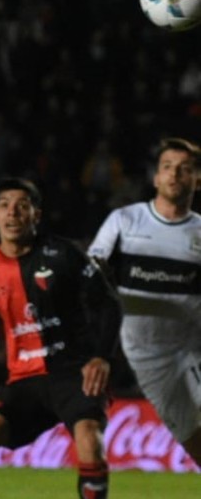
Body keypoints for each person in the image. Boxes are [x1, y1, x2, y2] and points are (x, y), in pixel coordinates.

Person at [0, 178, 120, 499]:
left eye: (22, 205)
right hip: (24, 380)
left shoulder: (64, 254)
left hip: (75, 373)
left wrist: (101, 356)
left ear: (36, 214)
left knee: (89, 440)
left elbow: (108, 304)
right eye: (5, 205)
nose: (13, 213)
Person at [88, 136, 201, 466]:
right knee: (192, 438)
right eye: (167, 167)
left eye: (184, 169)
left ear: (197, 179)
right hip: (147, 356)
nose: (175, 174)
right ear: (156, 177)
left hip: (193, 345)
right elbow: (92, 274)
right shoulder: (125, 221)